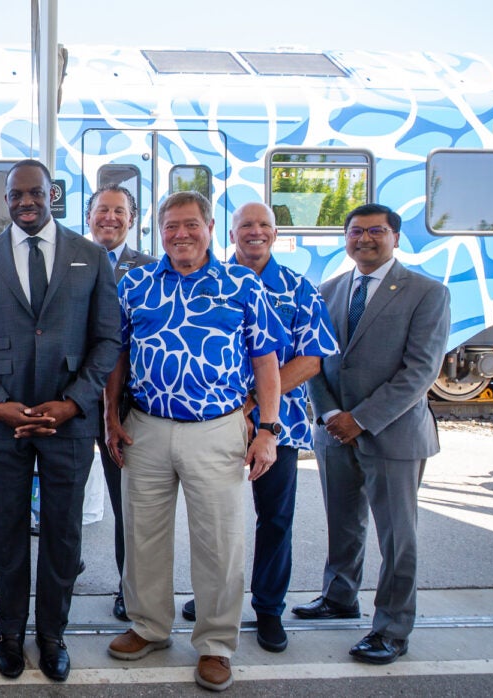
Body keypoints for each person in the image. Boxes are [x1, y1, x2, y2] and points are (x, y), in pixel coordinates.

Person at [103, 191, 285, 692]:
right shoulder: (136, 283)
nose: (181, 235)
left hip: (217, 429)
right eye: (171, 227)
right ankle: (148, 627)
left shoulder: (242, 284)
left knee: (219, 543)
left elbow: (266, 361)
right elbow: (117, 357)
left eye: (191, 225)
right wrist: (110, 418)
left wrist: (267, 430)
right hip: (146, 426)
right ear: (158, 232)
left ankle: (216, 645)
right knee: (143, 536)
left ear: (209, 227)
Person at [0, 160, 121, 682]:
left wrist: (74, 403)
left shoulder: (90, 257)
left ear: (53, 194)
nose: (26, 201)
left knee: (62, 533)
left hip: (68, 420)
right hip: (2, 421)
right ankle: (9, 632)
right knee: (4, 530)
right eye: (15, 194)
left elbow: (108, 340)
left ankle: (52, 635)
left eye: (35, 192)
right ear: (6, 200)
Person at [176, 203, 338, 653]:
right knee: (213, 523)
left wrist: (255, 401)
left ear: (275, 233)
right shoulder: (212, 282)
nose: (255, 232)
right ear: (229, 233)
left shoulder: (297, 288)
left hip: (276, 428)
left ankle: (268, 608)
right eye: (246, 225)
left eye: (264, 225)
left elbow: (311, 357)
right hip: (214, 425)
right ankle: (214, 600)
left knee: (275, 519)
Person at [300, 203, 449, 665]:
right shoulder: (327, 291)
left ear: (395, 238)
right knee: (343, 524)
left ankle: (392, 628)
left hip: (393, 434)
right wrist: (329, 415)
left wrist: (360, 418)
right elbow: (313, 362)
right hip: (334, 432)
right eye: (356, 231)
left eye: (376, 231)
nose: (365, 239)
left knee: (397, 536)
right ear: (345, 238)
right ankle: (339, 596)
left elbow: (420, 371)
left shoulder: (426, 293)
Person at [81, 185, 155, 622]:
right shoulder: (70, 258)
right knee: (62, 496)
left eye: (118, 211)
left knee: (129, 501)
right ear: (89, 216)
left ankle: (131, 587)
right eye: (101, 210)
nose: (109, 217)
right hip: (73, 399)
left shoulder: (150, 269)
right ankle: (65, 569)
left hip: (127, 406)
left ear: (133, 218)